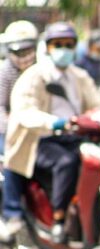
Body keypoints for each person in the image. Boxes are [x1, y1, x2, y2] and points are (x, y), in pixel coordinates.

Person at [3, 22, 100, 245]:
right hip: (38, 139)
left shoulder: (79, 75)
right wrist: (54, 122)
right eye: (58, 44)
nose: (63, 49)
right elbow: (24, 112)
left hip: (76, 136)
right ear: (47, 47)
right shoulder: (34, 76)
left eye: (69, 44)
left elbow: (98, 103)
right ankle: (58, 219)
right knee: (66, 162)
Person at [0, 20, 38, 154]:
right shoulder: (5, 72)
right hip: (10, 128)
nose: (25, 58)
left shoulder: (40, 69)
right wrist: (10, 126)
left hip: (37, 126)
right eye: (19, 53)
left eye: (28, 51)